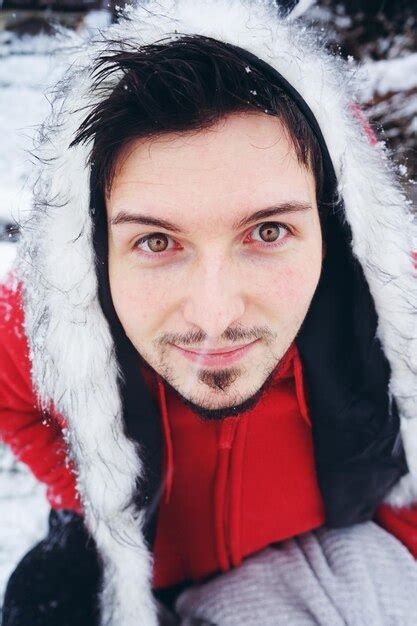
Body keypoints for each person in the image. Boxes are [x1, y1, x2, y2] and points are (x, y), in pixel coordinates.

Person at [1, 1, 417, 625]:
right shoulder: (49, 317)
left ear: (331, 224)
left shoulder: (396, 301)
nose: (215, 314)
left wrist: (389, 532)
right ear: (93, 245)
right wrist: (91, 492)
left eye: (269, 231)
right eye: (156, 242)